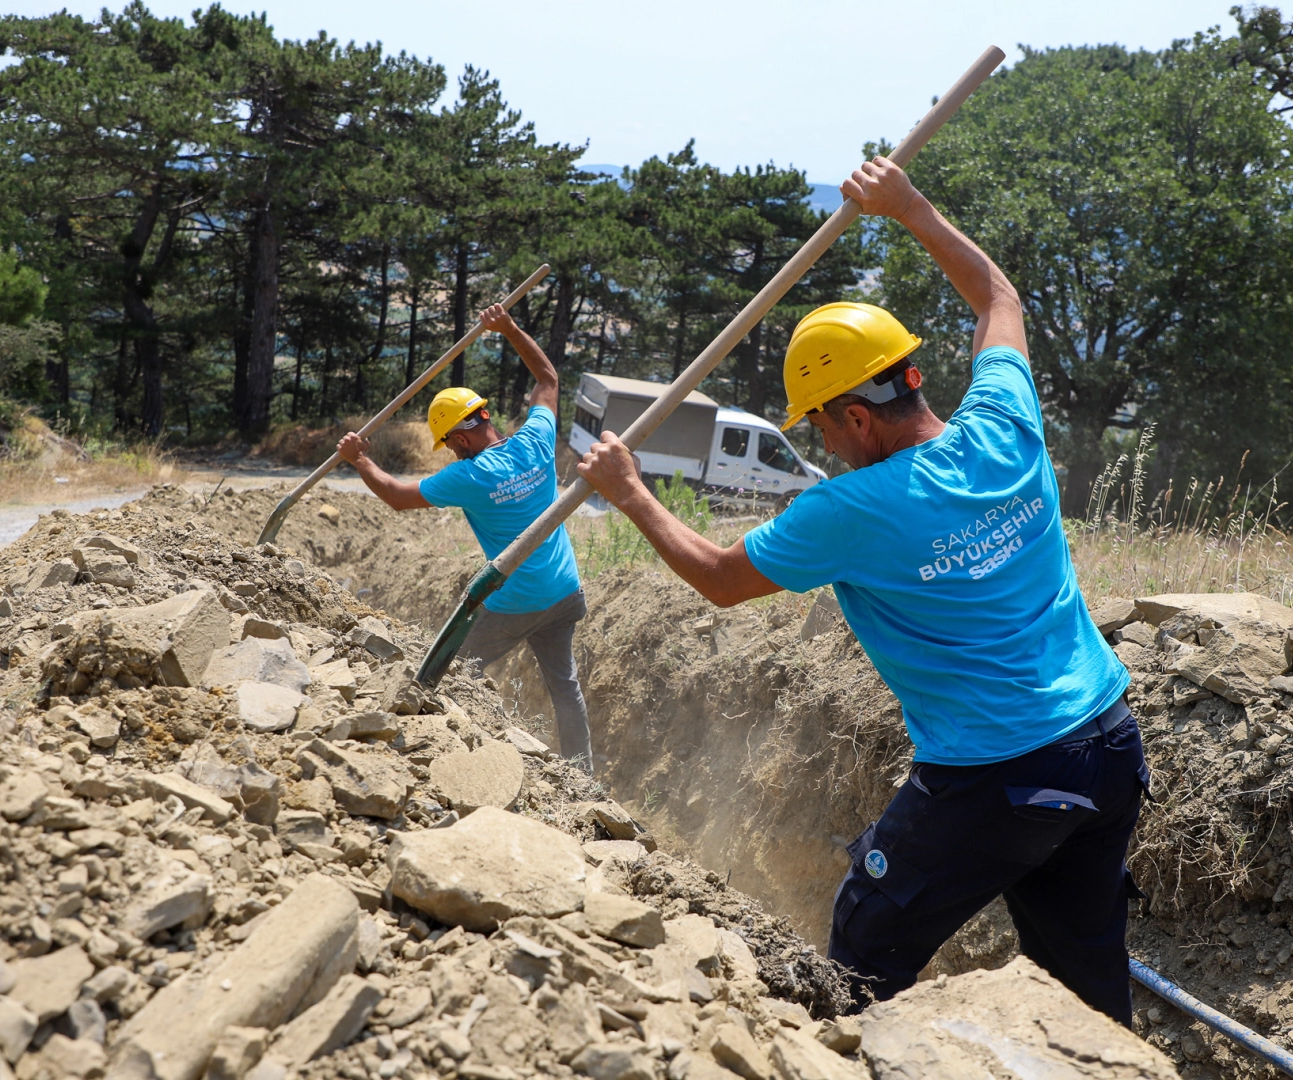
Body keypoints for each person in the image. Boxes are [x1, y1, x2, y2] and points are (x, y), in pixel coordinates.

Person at [574, 155, 1145, 1023]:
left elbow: (720, 579)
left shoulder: (852, 508)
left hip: (998, 773)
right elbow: (999, 300)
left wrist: (630, 492)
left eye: (821, 427)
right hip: (1106, 746)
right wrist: (910, 206)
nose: (824, 445)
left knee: (862, 951)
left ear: (854, 416)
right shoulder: (1005, 425)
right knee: (1086, 981)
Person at [336, 303, 594, 772]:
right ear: (485, 416)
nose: (451, 451)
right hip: (564, 590)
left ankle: (458, 758)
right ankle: (583, 775)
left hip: (516, 601)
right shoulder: (535, 440)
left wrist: (359, 460)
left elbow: (397, 496)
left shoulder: (469, 477)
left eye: (450, 443)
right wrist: (509, 328)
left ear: (459, 437)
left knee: (450, 673)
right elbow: (548, 379)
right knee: (566, 687)